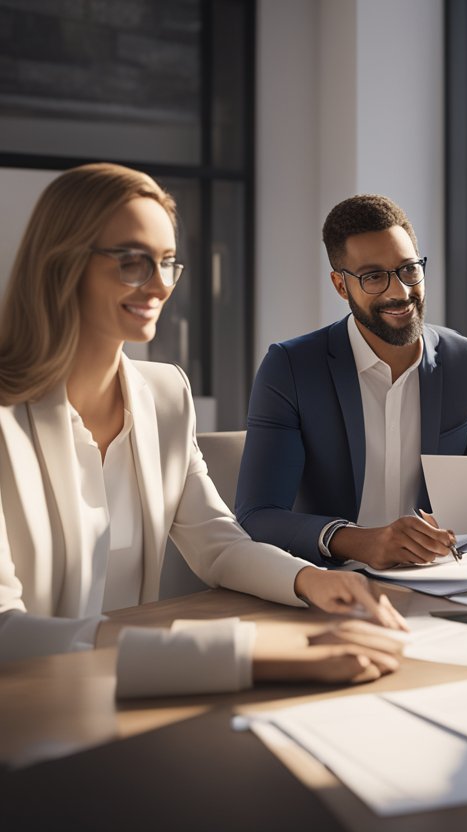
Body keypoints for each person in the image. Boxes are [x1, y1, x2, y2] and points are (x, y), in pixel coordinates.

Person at [0, 163, 407, 697]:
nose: (160, 285)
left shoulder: (165, 394)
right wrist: (253, 656)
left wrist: (317, 580)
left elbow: (217, 542)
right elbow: (7, 633)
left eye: (168, 262)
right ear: (61, 263)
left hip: (134, 698)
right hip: (29, 709)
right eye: (132, 262)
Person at [236, 194, 467, 570]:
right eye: (373, 277)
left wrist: (451, 531)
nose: (398, 291)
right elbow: (258, 514)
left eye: (408, 269)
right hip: (329, 583)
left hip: (440, 579)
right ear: (340, 285)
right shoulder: (291, 368)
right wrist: (358, 541)